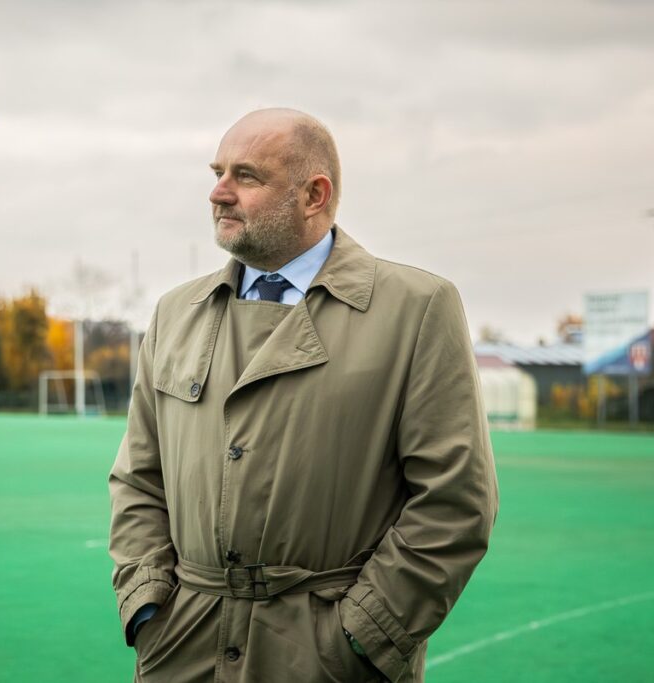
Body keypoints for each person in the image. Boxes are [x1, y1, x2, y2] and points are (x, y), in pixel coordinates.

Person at [108, 108, 498, 683]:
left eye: (246, 176)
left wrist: (360, 635)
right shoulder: (174, 313)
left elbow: (454, 501)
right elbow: (138, 478)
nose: (218, 193)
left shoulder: (415, 308)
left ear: (315, 194)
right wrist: (148, 605)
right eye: (218, 172)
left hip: (326, 662)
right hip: (182, 648)